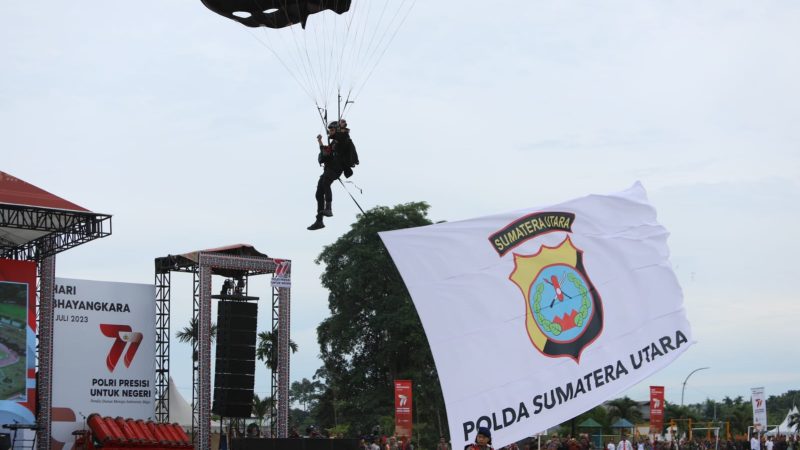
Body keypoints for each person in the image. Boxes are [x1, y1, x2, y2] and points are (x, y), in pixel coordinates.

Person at [307, 120, 357, 230]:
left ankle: (328, 208)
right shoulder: (334, 143)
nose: (330, 132)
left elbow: (342, 135)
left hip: (337, 168)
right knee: (319, 193)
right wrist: (320, 142)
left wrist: (341, 127)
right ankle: (319, 221)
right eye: (329, 130)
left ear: (337, 130)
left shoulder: (343, 139)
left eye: (332, 130)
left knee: (326, 183)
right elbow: (326, 153)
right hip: (329, 168)